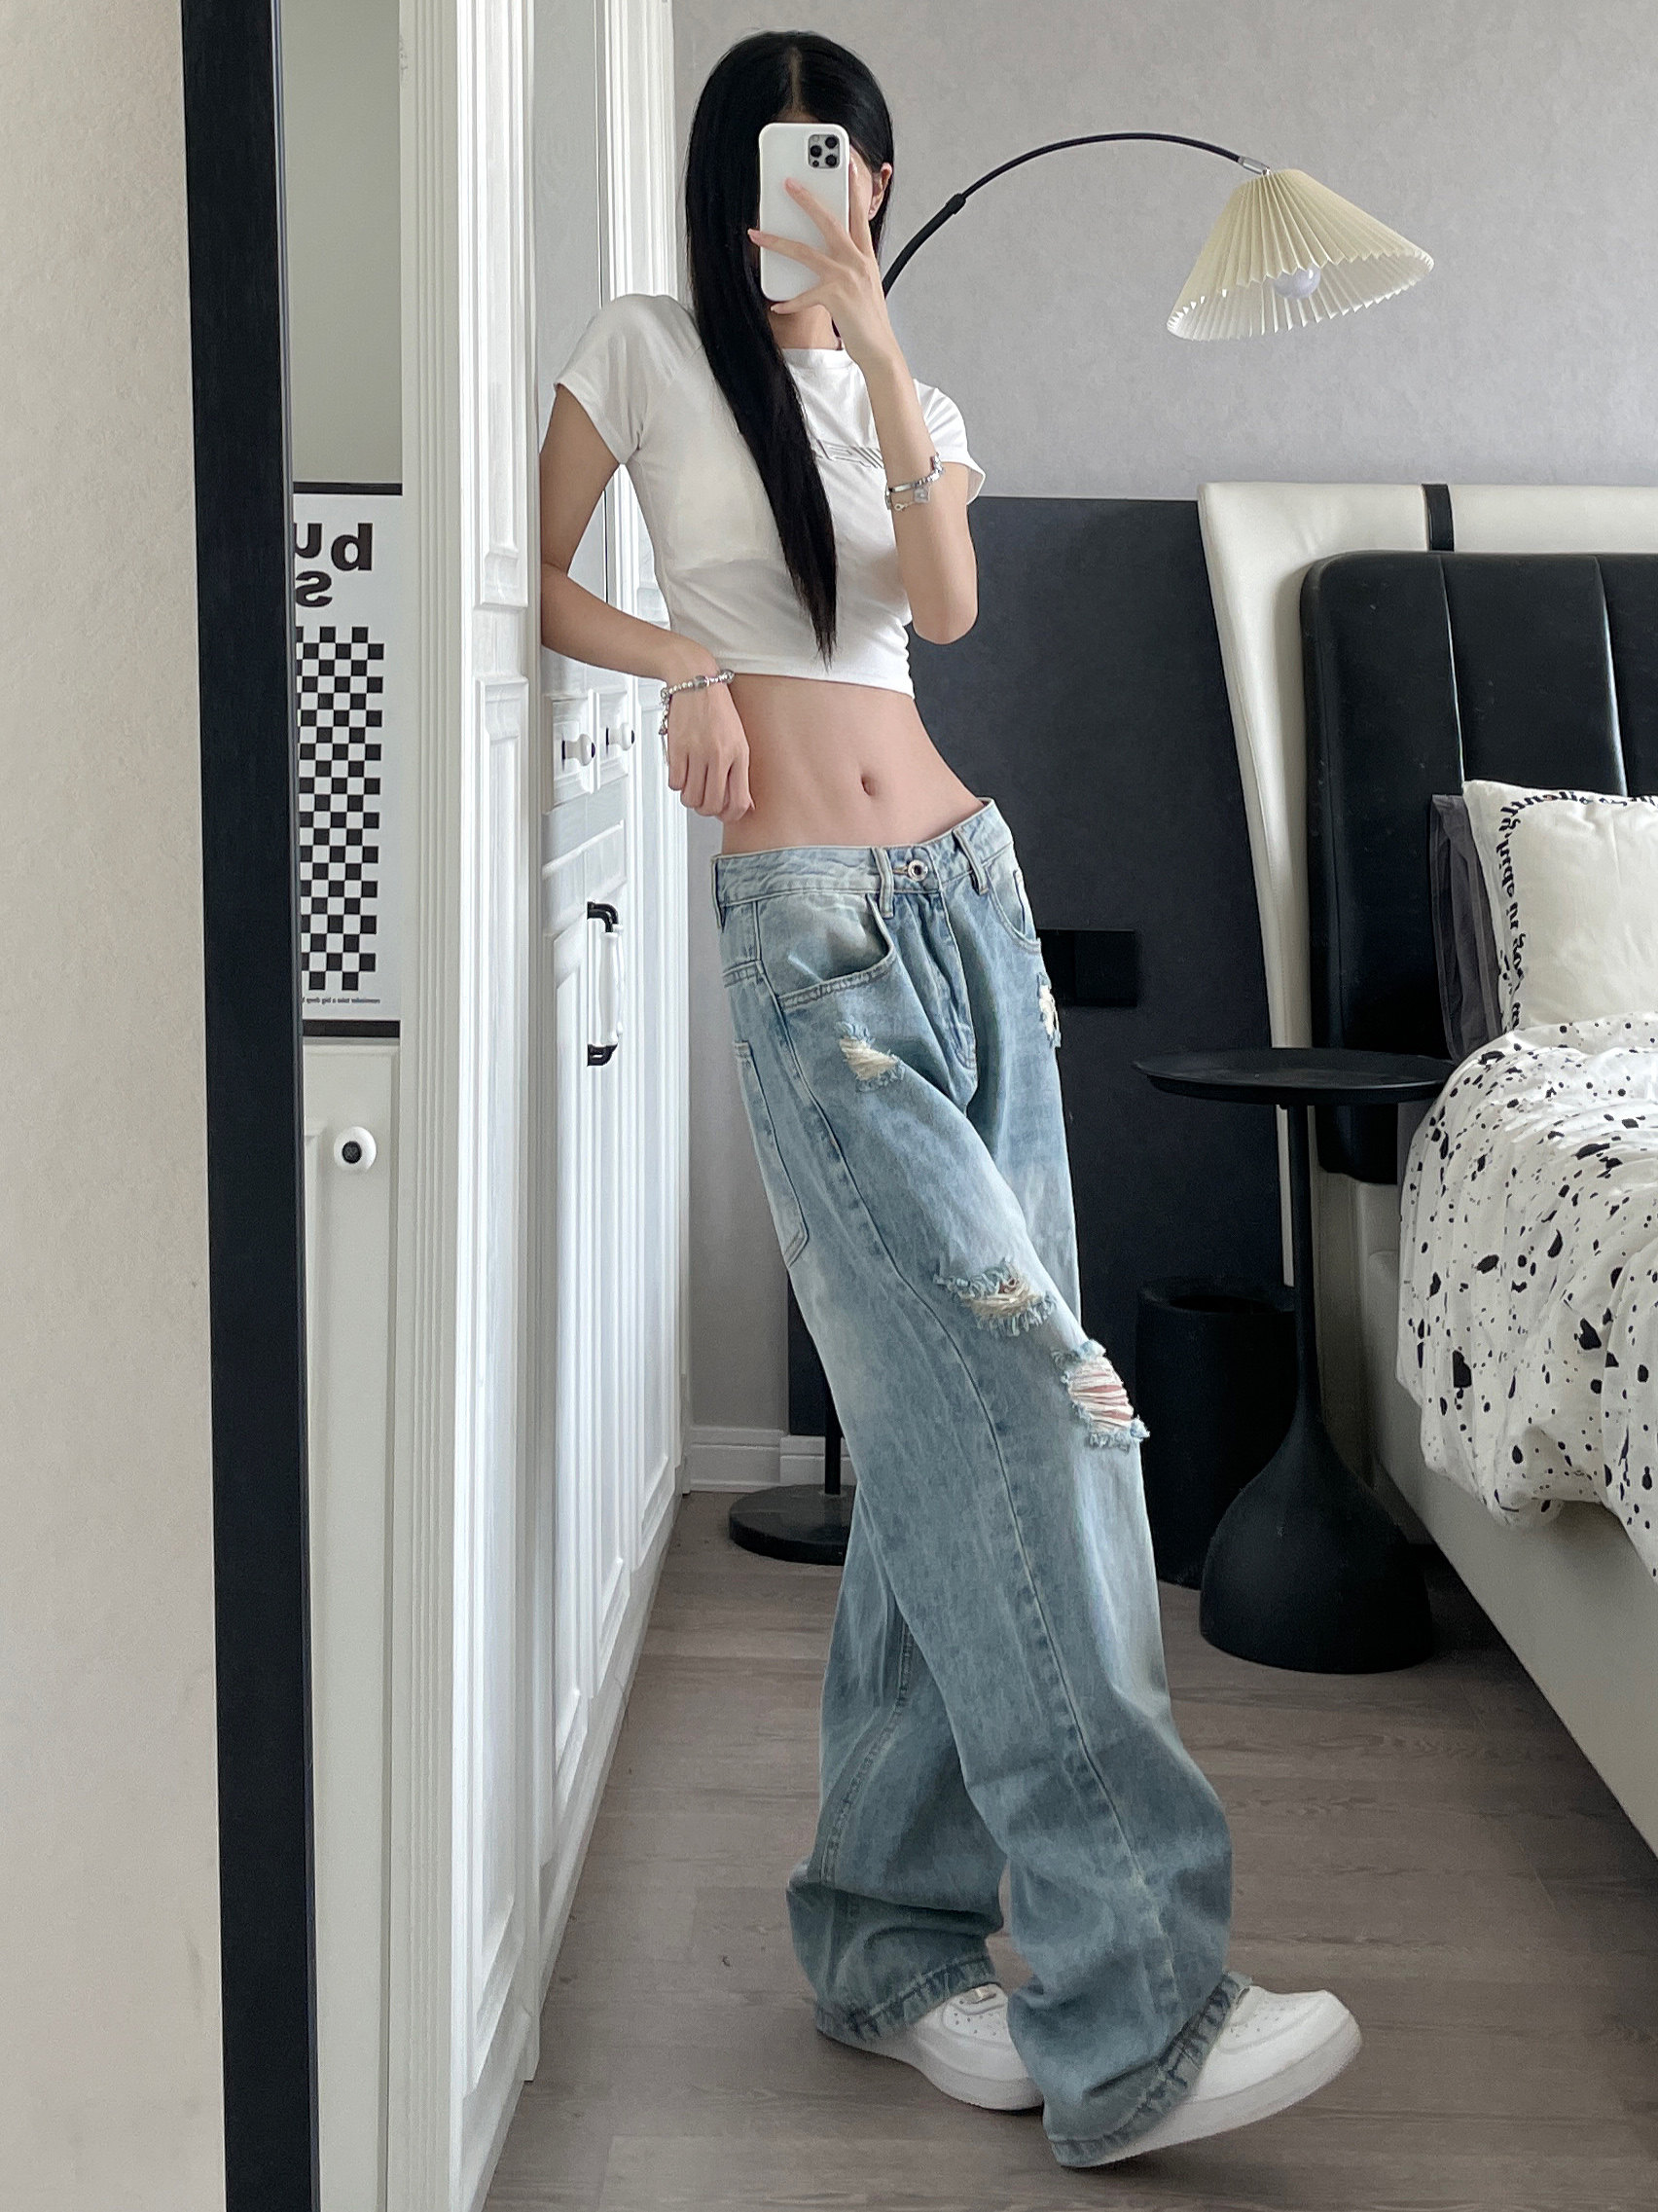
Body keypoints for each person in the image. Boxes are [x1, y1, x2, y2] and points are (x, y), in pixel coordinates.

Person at [538, 27, 1359, 2170]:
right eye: (772, 162)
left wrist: (880, 349)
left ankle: (885, 1947)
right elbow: (540, 580)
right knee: (1039, 1406)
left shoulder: (914, 397)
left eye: (839, 165)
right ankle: (1141, 2006)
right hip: (810, 940)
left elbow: (954, 605)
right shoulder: (643, 349)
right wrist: (685, 667)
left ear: (879, 185)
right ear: (725, 181)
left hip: (974, 909)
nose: (809, 194)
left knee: (936, 1451)